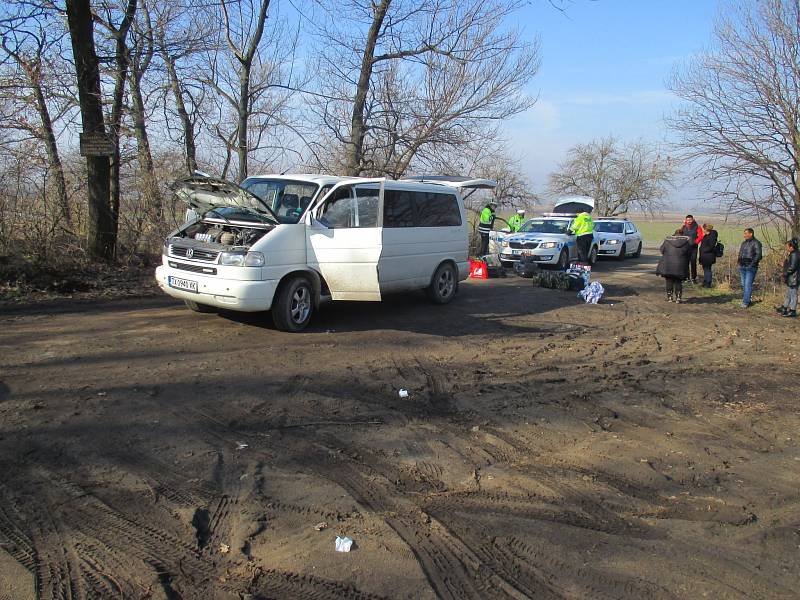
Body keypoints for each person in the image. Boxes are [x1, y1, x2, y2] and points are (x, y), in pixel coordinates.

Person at [656, 230, 691, 303]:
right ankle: (678, 298)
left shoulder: (667, 241)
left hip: (668, 265)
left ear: (674, 234)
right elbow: (689, 253)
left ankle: (670, 298)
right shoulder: (686, 243)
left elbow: (662, 250)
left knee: (669, 281)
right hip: (680, 265)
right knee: (678, 281)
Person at [737, 227, 762, 308]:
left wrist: (751, 264)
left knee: (748, 284)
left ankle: (745, 302)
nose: (744, 235)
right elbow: (740, 253)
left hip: (751, 267)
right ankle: (748, 299)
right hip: (742, 266)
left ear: (751, 234)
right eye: (744, 233)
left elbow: (758, 255)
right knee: (743, 284)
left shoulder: (756, 243)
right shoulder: (744, 243)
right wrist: (739, 262)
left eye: (746, 233)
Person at [776, 238, 799, 318]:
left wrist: (785, 273)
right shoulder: (792, 254)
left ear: (791, 247)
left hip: (794, 278)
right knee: (789, 294)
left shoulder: (795, 254)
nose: (786, 247)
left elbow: (792, 267)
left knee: (793, 294)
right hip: (791, 278)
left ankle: (793, 310)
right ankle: (784, 307)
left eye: (787, 246)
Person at [679, 214, 704, 284]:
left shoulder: (698, 227)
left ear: (693, 220)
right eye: (687, 220)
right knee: (685, 263)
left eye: (690, 220)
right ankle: (686, 277)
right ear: (686, 220)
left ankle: (693, 278)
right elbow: (680, 234)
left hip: (693, 248)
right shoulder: (684, 227)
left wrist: (695, 242)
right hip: (685, 247)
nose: (689, 221)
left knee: (693, 263)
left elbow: (701, 236)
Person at [698, 223, 719, 287]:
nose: (703, 230)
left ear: (706, 229)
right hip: (705, 255)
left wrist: (703, 250)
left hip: (708, 256)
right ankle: (705, 282)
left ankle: (708, 283)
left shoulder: (712, 236)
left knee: (707, 269)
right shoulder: (707, 235)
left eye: (704, 228)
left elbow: (711, 246)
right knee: (706, 269)